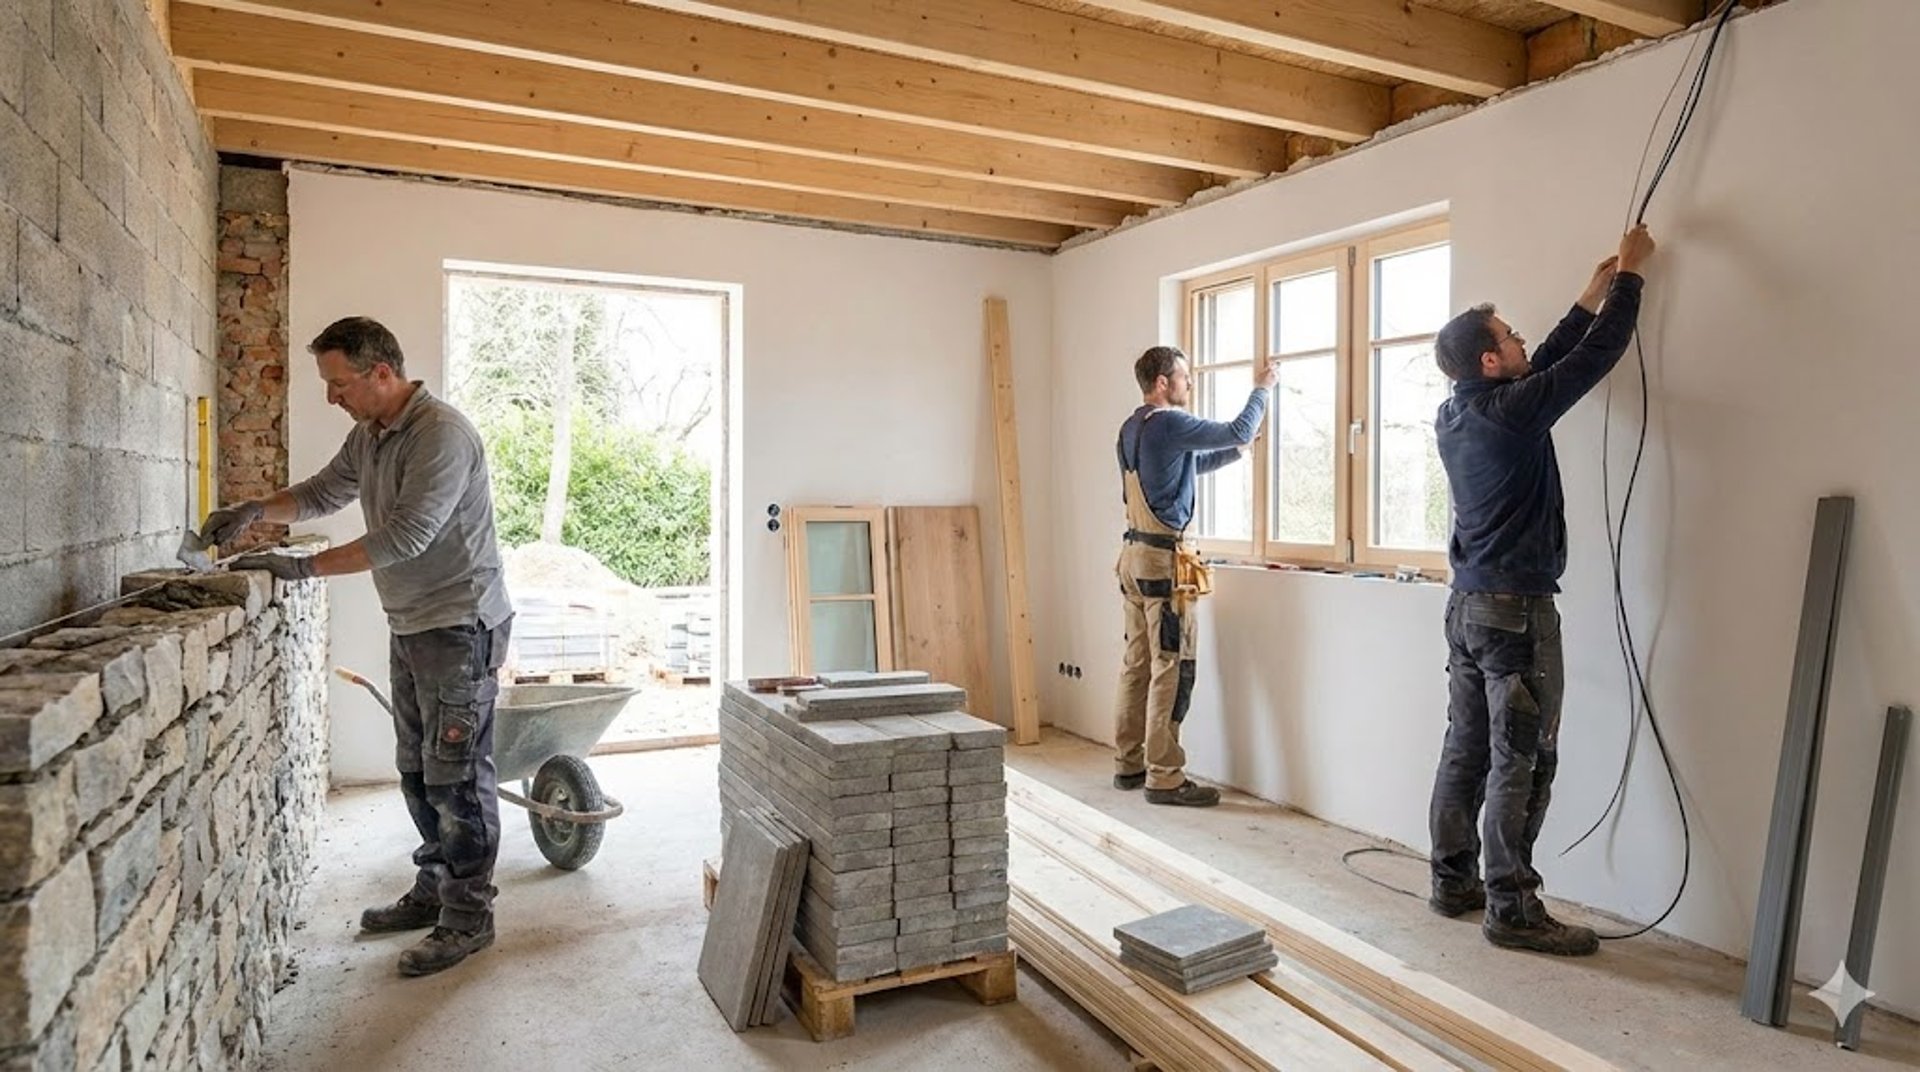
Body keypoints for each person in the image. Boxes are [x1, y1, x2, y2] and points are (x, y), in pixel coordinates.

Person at [202, 316, 516, 977]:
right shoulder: (370, 433)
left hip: (460, 625)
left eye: (338, 383)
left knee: (456, 779)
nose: (331, 396)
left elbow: (407, 537)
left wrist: (306, 569)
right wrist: (256, 510)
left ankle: (468, 917)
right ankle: (437, 886)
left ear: (381, 374)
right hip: (411, 622)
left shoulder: (441, 436)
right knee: (416, 770)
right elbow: (323, 493)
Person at [1425, 224, 1657, 957]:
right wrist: (1631, 280)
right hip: (1515, 612)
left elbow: (1545, 367)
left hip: (1466, 607)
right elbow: (1590, 362)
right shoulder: (1511, 412)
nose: (1523, 342)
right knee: (1523, 756)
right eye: (1511, 337)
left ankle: (1452, 880)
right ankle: (1513, 908)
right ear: (1491, 360)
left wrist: (1589, 295)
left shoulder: (1461, 410)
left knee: (1467, 746)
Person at [1112, 345, 1276, 807]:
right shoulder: (1170, 422)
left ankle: (1129, 763)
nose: (1189, 383)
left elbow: (1189, 466)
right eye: (1184, 376)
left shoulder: (1133, 427)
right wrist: (1262, 389)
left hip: (1132, 559)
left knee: (1137, 663)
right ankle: (1164, 775)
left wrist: (1238, 453)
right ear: (1163, 383)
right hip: (1163, 564)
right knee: (1173, 666)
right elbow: (1239, 426)